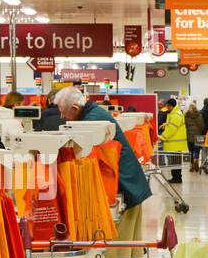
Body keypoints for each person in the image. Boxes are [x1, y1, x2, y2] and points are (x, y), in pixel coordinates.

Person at [55, 87, 151, 245]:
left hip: (126, 184)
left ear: (75, 108)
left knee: (120, 244)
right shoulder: (93, 113)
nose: (62, 116)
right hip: (130, 181)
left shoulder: (91, 121)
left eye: (63, 111)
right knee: (131, 244)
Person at [159, 97, 188, 183]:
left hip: (175, 144)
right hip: (175, 144)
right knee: (175, 163)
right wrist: (165, 124)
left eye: (167, 106)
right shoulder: (175, 113)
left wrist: (162, 137)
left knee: (175, 163)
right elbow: (171, 124)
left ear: (170, 106)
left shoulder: (176, 115)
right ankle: (175, 178)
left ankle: (177, 178)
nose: (166, 107)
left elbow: (172, 129)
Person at [185, 100, 205, 173]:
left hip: (189, 135)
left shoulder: (186, 116)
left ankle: (192, 165)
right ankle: (196, 160)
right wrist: (199, 132)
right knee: (197, 151)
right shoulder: (199, 115)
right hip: (198, 135)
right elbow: (202, 125)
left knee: (191, 151)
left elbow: (185, 126)